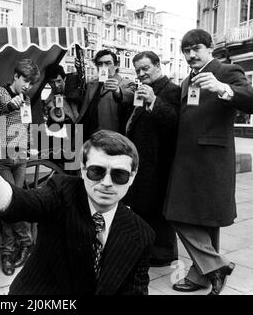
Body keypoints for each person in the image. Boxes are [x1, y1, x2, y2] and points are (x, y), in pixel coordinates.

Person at [0, 124, 155, 295]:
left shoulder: (142, 234)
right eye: (97, 171)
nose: (107, 183)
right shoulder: (62, 191)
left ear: (133, 176)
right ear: (83, 169)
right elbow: (19, 202)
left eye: (119, 175)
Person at [164, 29, 253, 295]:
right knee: (197, 218)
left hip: (212, 160)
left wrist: (223, 89)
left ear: (210, 47)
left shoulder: (226, 71)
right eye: (186, 51)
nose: (191, 55)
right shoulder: (186, 81)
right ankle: (211, 270)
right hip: (188, 159)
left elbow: (251, 100)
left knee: (184, 215)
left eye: (197, 49)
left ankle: (209, 270)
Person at [123, 51, 180, 267]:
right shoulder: (144, 90)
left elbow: (174, 121)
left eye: (145, 68)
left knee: (157, 208)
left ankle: (164, 254)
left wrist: (154, 100)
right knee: (143, 206)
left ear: (158, 66)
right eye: (138, 70)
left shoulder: (172, 90)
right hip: (142, 158)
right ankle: (149, 249)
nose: (141, 73)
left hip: (159, 160)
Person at [0, 59, 40, 276]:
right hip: (3, 157)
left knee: (17, 203)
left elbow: (26, 123)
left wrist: (29, 146)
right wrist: (16, 102)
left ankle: (11, 251)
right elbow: (5, 107)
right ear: (16, 77)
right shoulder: (1, 92)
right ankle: (22, 243)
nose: (27, 86)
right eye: (25, 81)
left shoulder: (27, 98)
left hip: (19, 156)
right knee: (7, 204)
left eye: (31, 83)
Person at [77, 49, 136, 139]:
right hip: (87, 136)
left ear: (116, 65)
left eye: (108, 63)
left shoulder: (126, 83)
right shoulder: (91, 84)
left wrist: (117, 91)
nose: (103, 67)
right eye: (100, 64)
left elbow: (130, 97)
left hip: (111, 137)